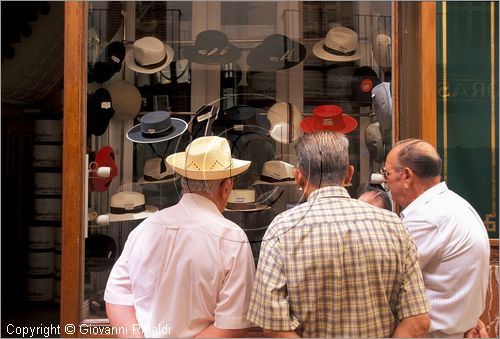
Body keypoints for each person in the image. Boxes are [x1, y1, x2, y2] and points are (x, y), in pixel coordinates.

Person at [247, 131, 430, 338]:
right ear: (349, 174)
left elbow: (274, 326)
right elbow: (417, 323)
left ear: (298, 177)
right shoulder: (393, 225)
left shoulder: (282, 229)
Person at [104, 136, 256, 338]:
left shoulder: (144, 228)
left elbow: (118, 296)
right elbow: (233, 324)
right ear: (226, 186)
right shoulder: (231, 238)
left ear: (184, 183)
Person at [383, 139, 490, 338]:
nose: (385, 182)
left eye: (386, 174)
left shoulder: (427, 218)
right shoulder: (454, 204)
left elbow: (388, 281)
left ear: (406, 175)